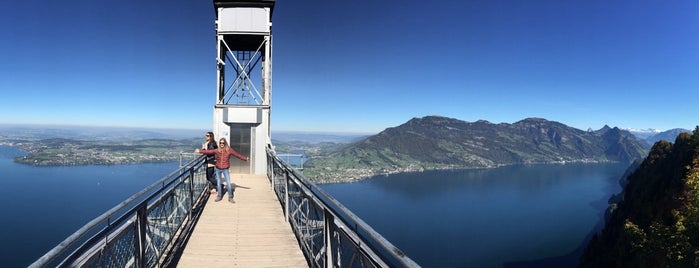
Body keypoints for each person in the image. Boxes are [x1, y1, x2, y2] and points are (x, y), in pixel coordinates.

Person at [196, 138, 249, 203]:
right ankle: (219, 196)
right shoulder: (217, 150)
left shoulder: (229, 150)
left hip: (225, 169)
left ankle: (230, 197)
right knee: (218, 183)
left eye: (223, 143)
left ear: (225, 143)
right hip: (218, 169)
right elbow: (209, 151)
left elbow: (237, 155)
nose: (221, 144)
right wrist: (200, 151)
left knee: (228, 183)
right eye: (220, 143)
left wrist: (245, 158)